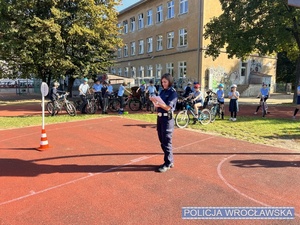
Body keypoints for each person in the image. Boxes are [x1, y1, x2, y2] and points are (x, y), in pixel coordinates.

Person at [150, 73, 178, 173]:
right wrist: (154, 101)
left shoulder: (172, 93)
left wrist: (158, 103)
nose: (163, 84)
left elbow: (168, 107)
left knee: (166, 142)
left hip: (167, 120)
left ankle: (167, 163)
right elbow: (159, 106)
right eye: (162, 82)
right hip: (160, 119)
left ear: (169, 81)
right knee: (162, 141)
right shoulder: (162, 92)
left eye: (165, 82)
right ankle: (170, 161)